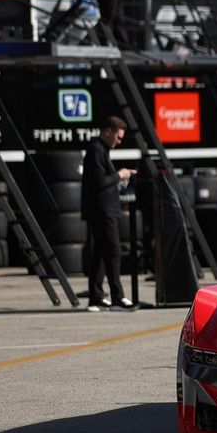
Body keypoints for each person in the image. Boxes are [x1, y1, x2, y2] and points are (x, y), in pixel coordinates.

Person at [81, 116, 136, 311]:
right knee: (113, 251)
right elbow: (98, 182)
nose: (119, 141)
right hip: (102, 210)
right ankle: (117, 296)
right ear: (108, 132)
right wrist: (119, 175)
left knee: (100, 253)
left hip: (103, 209)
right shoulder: (96, 150)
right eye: (118, 137)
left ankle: (96, 296)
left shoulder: (101, 150)